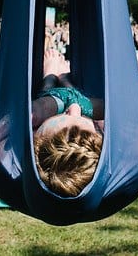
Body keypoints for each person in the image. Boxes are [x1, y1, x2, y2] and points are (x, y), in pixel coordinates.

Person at [31, 49, 104, 197]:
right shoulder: (102, 130)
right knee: (87, 105)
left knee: (41, 102)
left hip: (50, 102)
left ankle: (50, 77)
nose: (73, 108)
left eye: (65, 115)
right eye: (87, 122)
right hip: (82, 102)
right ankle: (65, 80)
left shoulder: (35, 127)